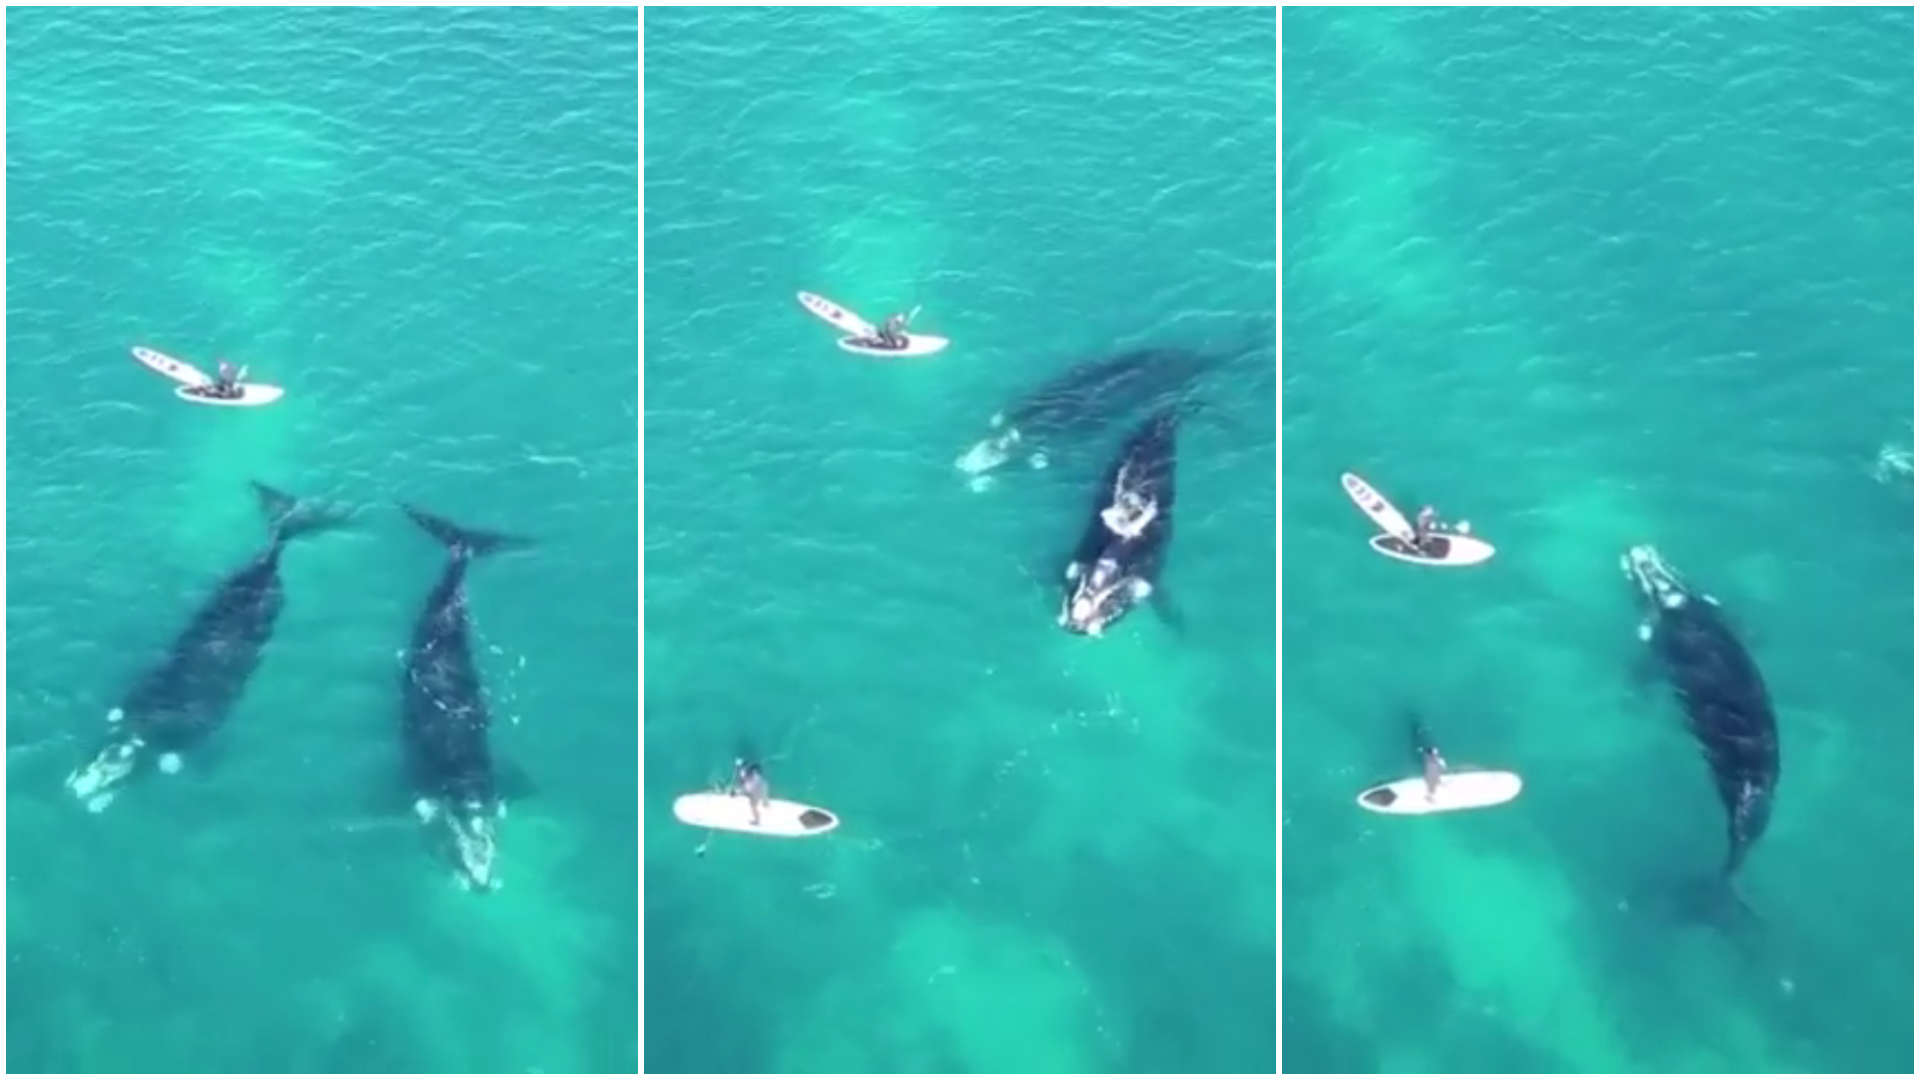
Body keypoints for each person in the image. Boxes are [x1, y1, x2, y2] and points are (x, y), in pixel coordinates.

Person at [729, 758, 770, 825]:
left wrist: (735, 793)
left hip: (756, 788)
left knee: (753, 805)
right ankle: (765, 803)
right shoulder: (748, 770)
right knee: (760, 800)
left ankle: (757, 820)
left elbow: (746, 787)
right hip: (763, 785)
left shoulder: (743, 772)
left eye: (737, 767)